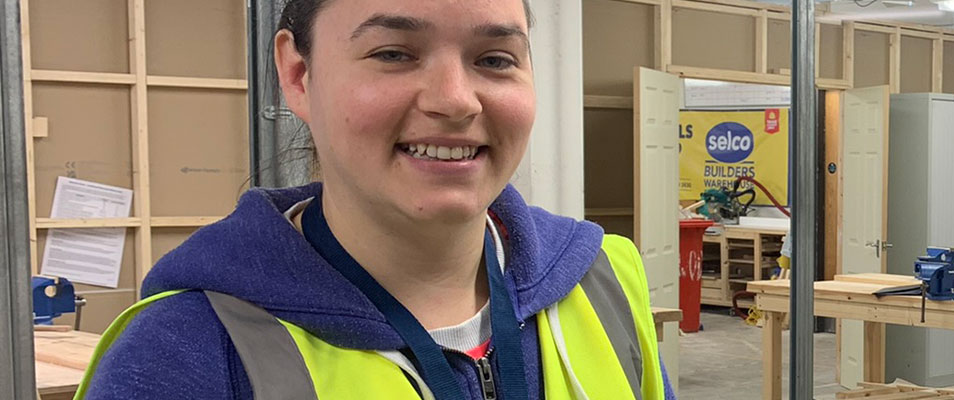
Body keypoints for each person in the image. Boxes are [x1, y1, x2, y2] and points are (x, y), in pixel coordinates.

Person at [74, 0, 675, 398]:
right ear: (299, 74)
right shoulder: (185, 352)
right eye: (394, 54)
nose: (456, 100)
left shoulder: (603, 282)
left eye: (494, 59)